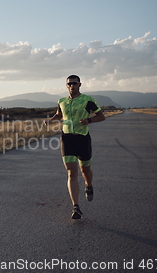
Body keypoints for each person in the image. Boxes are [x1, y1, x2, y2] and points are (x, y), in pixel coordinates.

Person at [45, 75, 105, 219]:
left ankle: (89, 185)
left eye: (74, 83)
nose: (72, 85)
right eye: (69, 84)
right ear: (66, 86)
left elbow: (101, 116)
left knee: (85, 170)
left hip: (83, 139)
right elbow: (60, 114)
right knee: (71, 172)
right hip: (67, 138)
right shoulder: (61, 101)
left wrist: (89, 120)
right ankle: (75, 207)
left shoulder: (87, 100)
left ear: (79, 84)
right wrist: (51, 120)